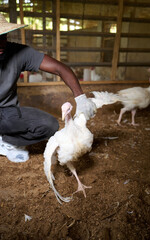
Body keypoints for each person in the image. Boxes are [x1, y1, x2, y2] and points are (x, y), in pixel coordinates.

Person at [0, 13, 96, 163]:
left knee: (49, 125)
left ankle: (7, 141)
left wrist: (80, 97)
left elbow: (60, 68)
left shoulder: (17, 52)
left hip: (7, 113)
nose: (1, 43)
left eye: (3, 37)